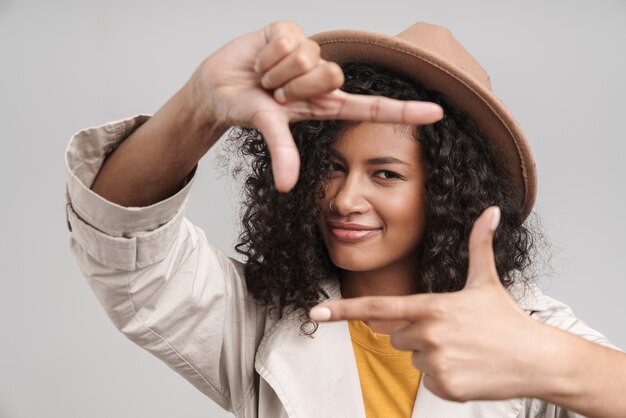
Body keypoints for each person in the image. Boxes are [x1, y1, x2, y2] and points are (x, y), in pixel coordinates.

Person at [64, 20, 620, 418]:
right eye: (332, 167)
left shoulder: (525, 327)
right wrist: (197, 108)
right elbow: (126, 244)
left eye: (385, 175)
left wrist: (542, 356)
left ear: (450, 194)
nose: (343, 198)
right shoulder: (260, 319)